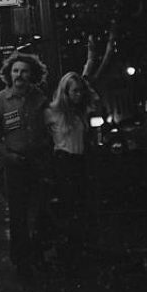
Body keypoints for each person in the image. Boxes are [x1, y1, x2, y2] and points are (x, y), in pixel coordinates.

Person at [0, 52, 50, 277]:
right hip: (14, 165)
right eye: (15, 70)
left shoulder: (41, 99)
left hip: (38, 163)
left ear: (32, 73)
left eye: (24, 70)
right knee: (18, 214)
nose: (20, 75)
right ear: (8, 74)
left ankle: (38, 254)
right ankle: (21, 259)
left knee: (41, 211)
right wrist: (8, 156)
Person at [44, 70, 100, 270]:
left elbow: (90, 78)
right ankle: (67, 253)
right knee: (68, 209)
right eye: (74, 92)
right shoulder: (53, 113)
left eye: (80, 92)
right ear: (65, 92)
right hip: (64, 161)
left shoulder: (81, 112)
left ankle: (75, 251)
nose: (78, 95)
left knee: (80, 208)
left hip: (79, 161)